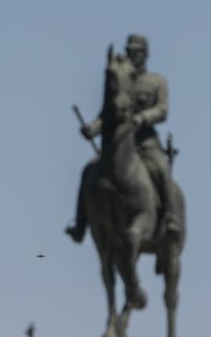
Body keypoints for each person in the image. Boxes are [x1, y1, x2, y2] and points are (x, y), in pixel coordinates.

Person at [67, 34, 181, 243]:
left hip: (146, 143)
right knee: (88, 171)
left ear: (145, 54)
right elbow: (107, 114)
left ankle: (171, 220)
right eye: (129, 51)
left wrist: (142, 118)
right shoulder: (120, 81)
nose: (131, 55)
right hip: (118, 145)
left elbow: (162, 110)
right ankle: (80, 224)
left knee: (162, 170)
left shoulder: (156, 81)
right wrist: (92, 129)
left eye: (136, 51)